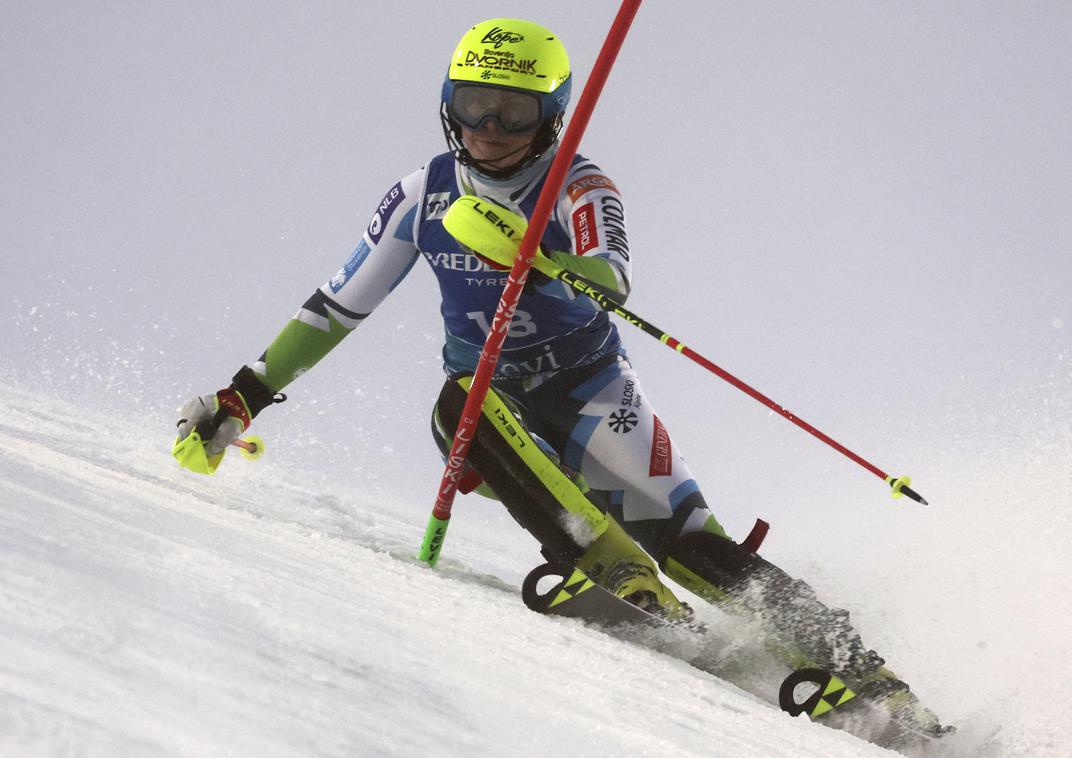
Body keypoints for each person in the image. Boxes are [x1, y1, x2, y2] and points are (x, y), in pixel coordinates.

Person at [174, 18, 949, 748]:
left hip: (591, 389)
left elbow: (612, 275)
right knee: (459, 406)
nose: (489, 129)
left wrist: (544, 262)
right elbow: (337, 306)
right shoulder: (425, 193)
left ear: (551, 117)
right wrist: (245, 394)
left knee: (687, 538)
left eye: (514, 114)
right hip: (491, 397)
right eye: (473, 105)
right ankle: (606, 565)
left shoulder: (579, 183)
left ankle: (869, 674)